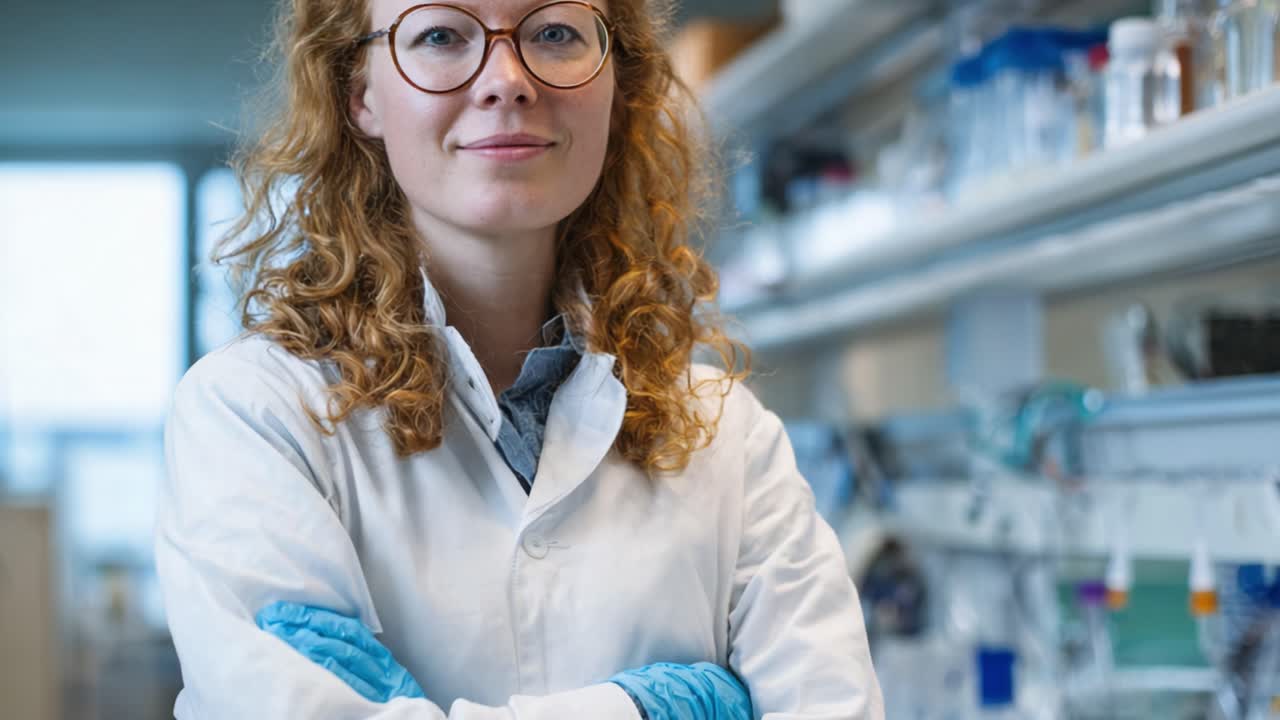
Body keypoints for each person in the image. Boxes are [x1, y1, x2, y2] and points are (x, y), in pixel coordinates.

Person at [155, 0, 884, 717]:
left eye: (555, 32)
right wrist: (640, 711)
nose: (507, 78)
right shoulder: (255, 415)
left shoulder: (733, 440)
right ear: (361, 96)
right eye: (441, 34)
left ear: (614, 87)